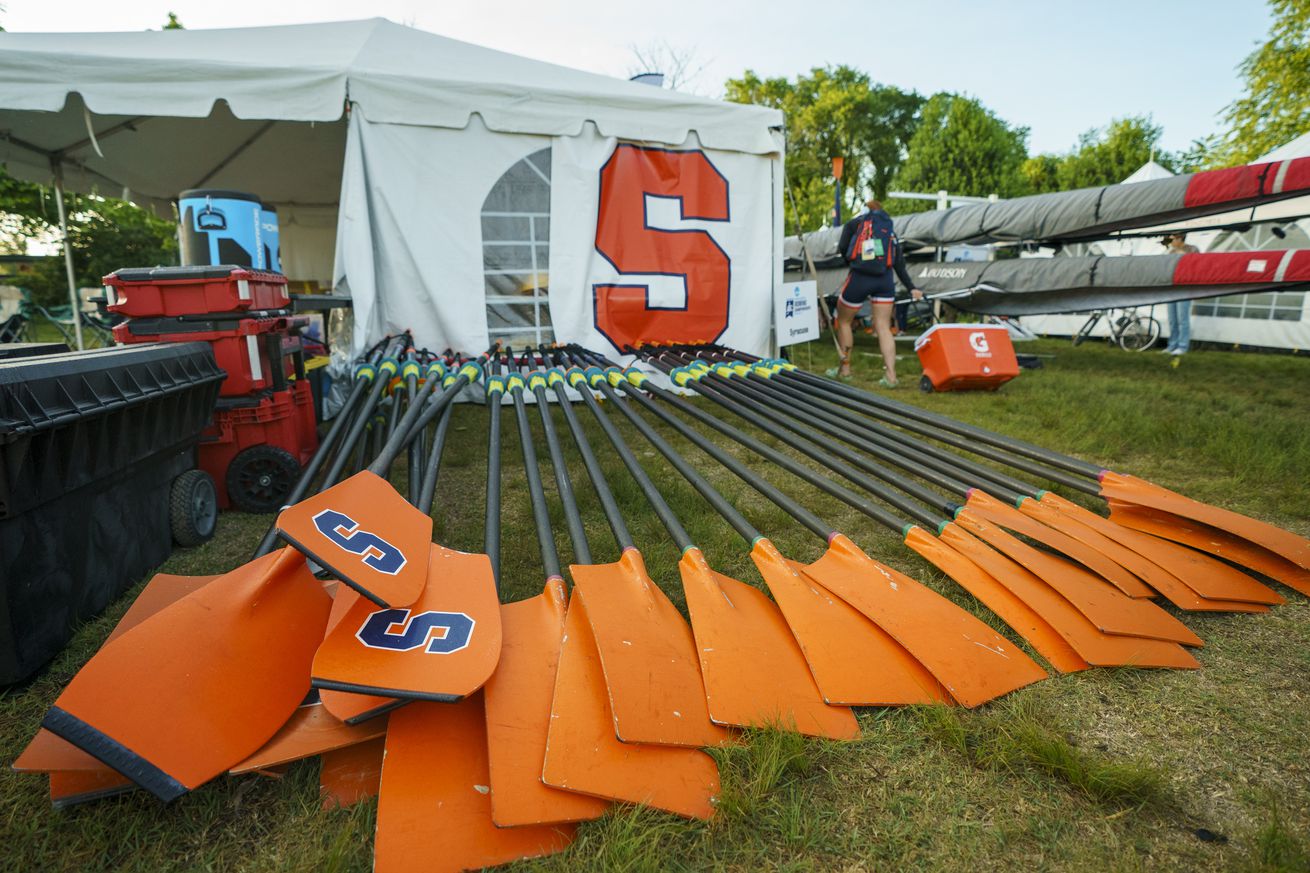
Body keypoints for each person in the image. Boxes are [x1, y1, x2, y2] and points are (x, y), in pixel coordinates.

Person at [828, 198, 923, 385]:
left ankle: (845, 370)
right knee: (883, 326)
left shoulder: (854, 224)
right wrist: (911, 287)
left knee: (845, 321)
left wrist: (855, 265)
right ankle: (891, 376)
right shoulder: (889, 230)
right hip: (884, 279)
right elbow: (899, 263)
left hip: (859, 278)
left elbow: (842, 249)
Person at [1162, 232, 1199, 355]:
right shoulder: (1171, 252)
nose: (1170, 242)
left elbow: (1197, 264)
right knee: (1172, 319)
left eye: (1171, 239)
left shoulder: (1192, 249)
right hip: (1172, 288)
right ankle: (1172, 345)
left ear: (1179, 238)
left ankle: (1182, 347)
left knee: (1182, 319)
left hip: (1185, 288)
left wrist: (1182, 254)